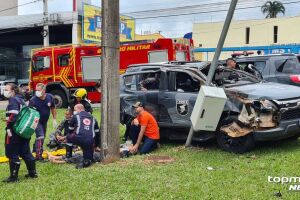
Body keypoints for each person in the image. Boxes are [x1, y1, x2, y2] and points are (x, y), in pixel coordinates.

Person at [3, 83, 37, 183]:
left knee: (11, 153)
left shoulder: (13, 100)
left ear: (13, 91)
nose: (5, 91)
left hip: (14, 131)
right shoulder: (21, 99)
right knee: (25, 152)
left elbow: (14, 115)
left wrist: (8, 125)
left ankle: (13, 177)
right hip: (24, 131)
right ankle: (32, 173)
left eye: (6, 89)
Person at [57, 104, 100, 169]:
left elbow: (70, 131)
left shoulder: (75, 116)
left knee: (69, 137)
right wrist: (96, 145)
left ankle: (68, 156)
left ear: (79, 109)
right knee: (88, 159)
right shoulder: (93, 118)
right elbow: (97, 133)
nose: (74, 111)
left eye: (74, 110)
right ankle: (85, 162)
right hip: (89, 141)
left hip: (78, 138)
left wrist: (66, 138)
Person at [29, 83, 57, 161]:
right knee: (40, 136)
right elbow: (29, 113)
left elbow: (53, 108)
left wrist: (54, 119)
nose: (36, 92)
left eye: (39, 90)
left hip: (44, 121)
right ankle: (38, 156)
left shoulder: (50, 97)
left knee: (41, 136)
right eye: (36, 90)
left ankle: (35, 150)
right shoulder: (33, 100)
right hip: (36, 121)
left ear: (44, 91)